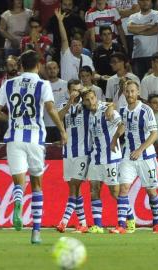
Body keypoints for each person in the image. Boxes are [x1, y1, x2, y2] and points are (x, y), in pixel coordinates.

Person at [0, 50, 67, 244]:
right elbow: (50, 109)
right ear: (39, 65)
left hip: (14, 138)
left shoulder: (7, 84)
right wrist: (62, 131)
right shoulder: (43, 84)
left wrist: (11, 119)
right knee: (37, 185)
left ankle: (18, 199)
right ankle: (35, 232)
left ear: (21, 65)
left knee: (19, 182)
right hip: (35, 138)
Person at [110, 80, 158, 233]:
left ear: (138, 92)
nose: (130, 94)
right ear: (124, 93)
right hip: (128, 156)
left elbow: (154, 134)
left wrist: (140, 149)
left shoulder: (146, 110)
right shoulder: (124, 110)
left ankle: (157, 223)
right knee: (123, 189)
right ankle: (121, 225)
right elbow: (123, 125)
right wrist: (114, 139)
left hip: (146, 156)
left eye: (132, 91)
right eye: (127, 91)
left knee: (151, 191)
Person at [81, 88, 132, 233]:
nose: (90, 102)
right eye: (87, 100)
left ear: (96, 97)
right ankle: (98, 225)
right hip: (96, 158)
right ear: (84, 102)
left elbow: (123, 124)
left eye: (92, 98)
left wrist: (115, 138)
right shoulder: (87, 114)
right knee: (94, 190)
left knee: (115, 192)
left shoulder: (107, 111)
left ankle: (131, 218)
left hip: (111, 157)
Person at [56, 79, 90, 233]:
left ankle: (63, 221)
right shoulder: (64, 105)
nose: (76, 92)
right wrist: (70, 102)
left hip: (83, 152)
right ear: (69, 91)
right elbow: (57, 117)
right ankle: (83, 223)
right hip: (67, 152)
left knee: (75, 186)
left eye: (79, 89)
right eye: (74, 90)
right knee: (74, 189)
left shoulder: (86, 105)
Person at [127, 0, 158, 80]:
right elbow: (130, 28)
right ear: (138, 2)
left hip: (154, 56)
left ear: (151, 1)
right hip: (137, 57)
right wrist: (147, 26)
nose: (145, 2)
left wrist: (138, 31)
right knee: (139, 84)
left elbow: (157, 29)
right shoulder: (133, 16)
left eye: (147, 0)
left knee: (155, 83)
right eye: (142, 0)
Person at [55, 8, 95, 82]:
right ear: (70, 47)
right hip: (67, 90)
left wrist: (102, 77)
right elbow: (64, 39)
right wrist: (60, 21)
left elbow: (93, 74)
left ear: (82, 47)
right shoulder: (66, 55)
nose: (77, 47)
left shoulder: (87, 58)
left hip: (83, 90)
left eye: (79, 45)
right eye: (74, 45)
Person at [43, 61, 69, 143]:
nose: (52, 70)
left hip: (61, 125)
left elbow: (69, 103)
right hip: (45, 125)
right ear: (46, 70)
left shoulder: (65, 84)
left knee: (61, 152)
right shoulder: (42, 85)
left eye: (54, 68)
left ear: (58, 69)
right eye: (49, 68)